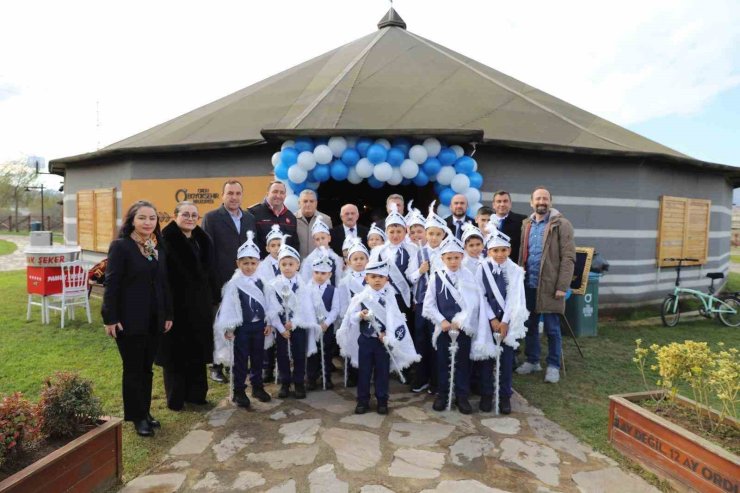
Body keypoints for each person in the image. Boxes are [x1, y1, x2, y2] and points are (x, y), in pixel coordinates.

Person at [102, 201, 172, 437]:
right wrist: (110, 318)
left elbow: (163, 283)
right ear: (132, 220)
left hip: (154, 318)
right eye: (142, 218)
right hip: (129, 320)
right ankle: (136, 416)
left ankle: (146, 411)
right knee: (133, 369)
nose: (148, 222)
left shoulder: (156, 245)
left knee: (147, 369)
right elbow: (111, 283)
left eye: (152, 218)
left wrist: (168, 314)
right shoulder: (121, 247)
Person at [336, 257, 420, 415]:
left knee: (382, 373)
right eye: (373, 277)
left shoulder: (389, 298)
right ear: (366, 278)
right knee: (364, 372)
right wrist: (360, 315)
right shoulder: (361, 297)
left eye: (381, 277)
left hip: (382, 343)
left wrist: (388, 335)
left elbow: (395, 320)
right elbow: (350, 318)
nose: (377, 280)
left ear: (386, 279)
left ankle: (382, 401)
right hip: (366, 341)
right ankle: (363, 401)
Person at [158, 201, 217, 411]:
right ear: (175, 216)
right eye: (186, 214)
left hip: (199, 307)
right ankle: (176, 398)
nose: (190, 218)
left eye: (194, 215)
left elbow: (208, 272)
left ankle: (196, 395)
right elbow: (163, 277)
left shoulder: (202, 239)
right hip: (177, 307)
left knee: (197, 353)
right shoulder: (166, 240)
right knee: (176, 356)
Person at [516, 187, 575, 384]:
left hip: (551, 286)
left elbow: (568, 257)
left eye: (545, 198)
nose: (542, 201)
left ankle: (553, 365)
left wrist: (562, 286)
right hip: (529, 285)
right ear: (531, 202)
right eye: (538, 198)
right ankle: (533, 361)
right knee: (531, 325)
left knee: (552, 329)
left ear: (550, 201)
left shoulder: (562, 224)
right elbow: (521, 254)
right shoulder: (527, 224)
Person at [202, 179, 257, 384]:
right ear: (222, 196)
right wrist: (212, 283)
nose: (234, 197)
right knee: (219, 325)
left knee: (241, 322)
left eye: (237, 193)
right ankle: (216, 366)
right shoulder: (211, 218)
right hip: (221, 281)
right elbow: (207, 252)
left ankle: (239, 362)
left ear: (242, 196)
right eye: (230, 193)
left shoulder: (250, 218)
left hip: (244, 281)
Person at [212, 232, 273, 408]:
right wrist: (230, 327)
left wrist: (268, 321)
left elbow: (269, 304)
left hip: (259, 327)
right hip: (242, 328)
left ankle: (257, 386)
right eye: (245, 263)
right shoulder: (234, 283)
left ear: (258, 263)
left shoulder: (262, 282)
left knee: (258, 357)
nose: (249, 267)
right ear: (238, 263)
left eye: (253, 263)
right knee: (240, 360)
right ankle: (239, 391)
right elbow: (229, 306)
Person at [474, 229, 529, 414]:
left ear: (509, 250)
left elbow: (515, 298)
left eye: (503, 250)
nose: (499, 254)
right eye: (495, 250)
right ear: (488, 251)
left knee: (505, 361)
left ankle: (505, 397)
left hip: (508, 322)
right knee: (487, 360)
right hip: (488, 321)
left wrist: (504, 321)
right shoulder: (482, 268)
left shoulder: (515, 270)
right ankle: (486, 395)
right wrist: (492, 318)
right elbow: (480, 295)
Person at [423, 235, 479, 414]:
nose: (453, 261)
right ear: (442, 258)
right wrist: (442, 321)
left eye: (456, 257)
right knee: (442, 362)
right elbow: (429, 304)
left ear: (462, 256)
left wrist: (460, 321)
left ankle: (462, 396)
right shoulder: (436, 276)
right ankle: (443, 394)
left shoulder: (469, 276)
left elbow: (473, 303)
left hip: (462, 328)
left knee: (462, 362)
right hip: (444, 328)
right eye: (449, 258)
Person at [266, 237, 319, 399]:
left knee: (298, 355)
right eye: (284, 264)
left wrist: (293, 323)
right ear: (279, 265)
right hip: (282, 328)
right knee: (282, 355)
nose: (287, 268)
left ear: (298, 265)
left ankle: (298, 383)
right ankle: (285, 382)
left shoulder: (304, 286)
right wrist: (282, 328)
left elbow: (305, 308)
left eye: (291, 264)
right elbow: (272, 309)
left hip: (298, 326)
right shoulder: (273, 285)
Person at [410, 202, 447, 394]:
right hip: (422, 304)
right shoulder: (419, 252)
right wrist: (420, 270)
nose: (433, 238)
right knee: (421, 340)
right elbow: (411, 277)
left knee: (437, 342)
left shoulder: (447, 254)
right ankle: (421, 378)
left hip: (439, 306)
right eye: (430, 234)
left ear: (443, 236)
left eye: (437, 234)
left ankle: (436, 381)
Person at [306, 249, 341, 390]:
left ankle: (326, 377)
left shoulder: (334, 290)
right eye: (317, 273)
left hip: (326, 327)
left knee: (326, 352)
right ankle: (311, 378)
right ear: (312, 273)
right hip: (312, 326)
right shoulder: (307, 289)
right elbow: (305, 308)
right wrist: (312, 322)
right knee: (312, 352)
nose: (320, 276)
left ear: (330, 274)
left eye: (323, 273)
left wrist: (326, 323)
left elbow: (335, 309)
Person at [336, 239, 369, 387]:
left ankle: (367, 372)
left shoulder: (372, 278)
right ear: (349, 262)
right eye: (355, 259)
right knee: (352, 344)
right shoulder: (345, 281)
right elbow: (343, 302)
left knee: (367, 346)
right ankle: (352, 374)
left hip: (369, 317)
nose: (359, 262)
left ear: (367, 260)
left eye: (362, 258)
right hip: (353, 318)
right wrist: (347, 317)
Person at [256, 224, 285, 383]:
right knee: (268, 337)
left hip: (284, 306)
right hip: (268, 305)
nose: (276, 248)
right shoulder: (261, 266)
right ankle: (267, 368)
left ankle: (282, 369)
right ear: (267, 248)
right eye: (273, 245)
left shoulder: (288, 262)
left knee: (282, 339)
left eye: (279, 245)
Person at [250, 181, 299, 255]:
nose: (278, 196)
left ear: (285, 195)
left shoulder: (291, 217)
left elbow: (294, 244)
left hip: (284, 265)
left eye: (282, 193)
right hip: (261, 264)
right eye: (275, 192)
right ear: (267, 193)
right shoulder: (254, 213)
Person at [300, 216, 344, 286]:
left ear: (329, 238)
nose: (320, 241)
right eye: (317, 239)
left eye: (323, 238)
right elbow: (306, 279)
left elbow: (338, 277)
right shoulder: (310, 259)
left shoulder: (335, 258)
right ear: (314, 242)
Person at [295, 190, 333, 259]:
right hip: (297, 265)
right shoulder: (292, 219)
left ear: (316, 203)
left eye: (311, 201)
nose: (308, 204)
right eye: (305, 201)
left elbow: (330, 244)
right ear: (299, 203)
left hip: (319, 265)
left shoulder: (326, 220)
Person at [492, 190, 526, 262]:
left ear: (510, 204)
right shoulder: (486, 221)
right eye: (499, 201)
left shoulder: (522, 220)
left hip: (513, 266)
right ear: (493, 205)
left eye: (505, 201)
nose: (502, 204)